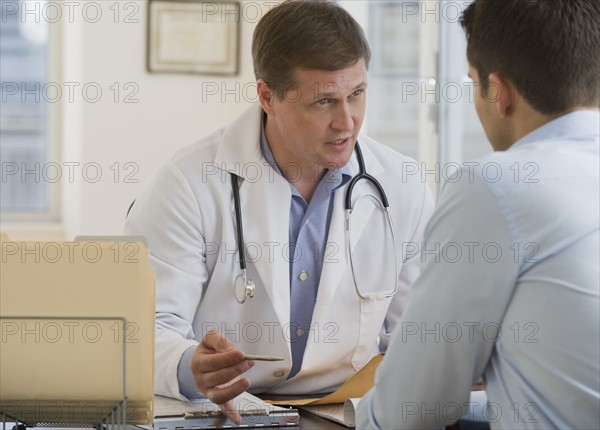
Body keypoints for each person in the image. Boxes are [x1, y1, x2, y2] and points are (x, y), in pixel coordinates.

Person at [125, 0, 433, 422]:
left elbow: (413, 332)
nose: (347, 121)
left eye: (357, 94)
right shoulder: (188, 183)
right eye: (324, 102)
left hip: (346, 411)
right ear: (268, 95)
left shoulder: (402, 184)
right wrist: (188, 365)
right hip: (227, 413)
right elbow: (142, 328)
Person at [356, 0, 600, 428]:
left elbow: (408, 412)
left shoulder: (497, 184)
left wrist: (359, 412)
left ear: (499, 91)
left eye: (472, 83)